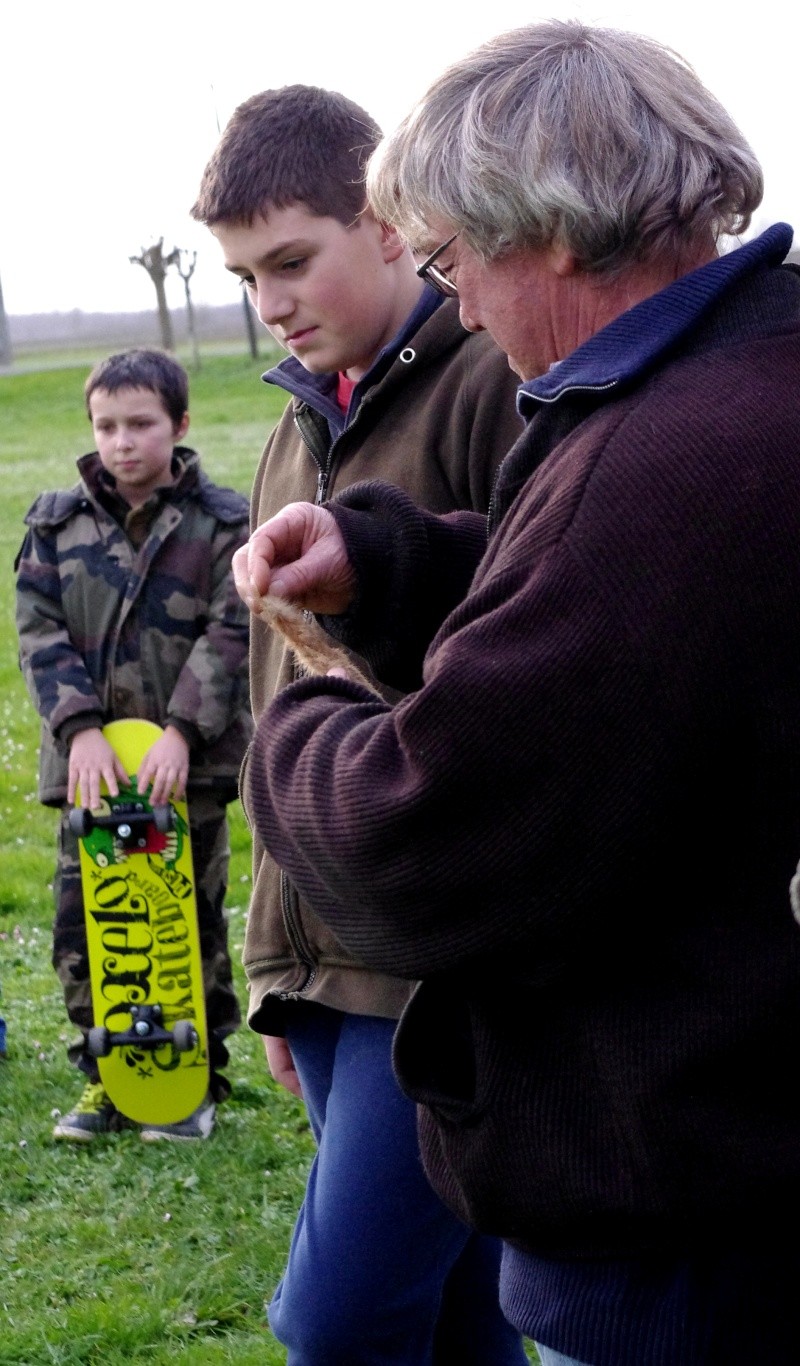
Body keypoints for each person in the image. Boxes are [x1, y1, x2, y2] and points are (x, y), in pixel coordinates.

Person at [232, 22, 800, 1366]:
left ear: (544, 230)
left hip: (697, 1236)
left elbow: (425, 836)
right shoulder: (730, 388)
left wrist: (298, 720)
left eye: (452, 260)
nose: (465, 306)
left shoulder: (672, 460)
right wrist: (389, 562)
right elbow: (624, 634)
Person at [191, 84, 526, 1365]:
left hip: (438, 960)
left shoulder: (496, 383)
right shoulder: (300, 414)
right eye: (242, 275)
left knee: (336, 1321)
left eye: (291, 259)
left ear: (389, 223)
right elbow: (296, 694)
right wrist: (282, 962)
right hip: (330, 950)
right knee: (458, 1315)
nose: (269, 301)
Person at [15, 348, 251, 1143]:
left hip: (186, 770)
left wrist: (184, 731)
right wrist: (79, 730)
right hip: (92, 774)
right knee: (90, 922)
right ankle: (107, 1080)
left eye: (142, 424)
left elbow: (235, 629)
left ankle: (194, 1080)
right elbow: (37, 633)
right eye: (107, 426)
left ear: (180, 425)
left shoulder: (222, 522)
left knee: (185, 923)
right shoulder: (54, 526)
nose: (123, 442)